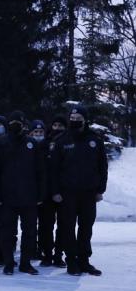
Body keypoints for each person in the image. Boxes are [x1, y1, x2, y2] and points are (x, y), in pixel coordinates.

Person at [50, 105, 108, 276]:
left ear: (85, 120)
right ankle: (71, 261)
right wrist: (55, 191)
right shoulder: (62, 140)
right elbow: (53, 169)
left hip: (89, 193)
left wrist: (100, 189)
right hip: (67, 193)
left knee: (86, 228)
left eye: (78, 119)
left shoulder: (94, 140)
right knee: (68, 227)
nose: (75, 121)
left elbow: (102, 166)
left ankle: (84, 261)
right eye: (72, 119)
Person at [0, 111, 45, 275]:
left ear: (24, 125)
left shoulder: (31, 144)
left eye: (19, 122)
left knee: (30, 232)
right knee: (7, 232)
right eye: (12, 122)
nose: (15, 125)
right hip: (6, 197)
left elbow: (40, 171)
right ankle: (8, 262)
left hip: (29, 196)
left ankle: (25, 263)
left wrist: (40, 194)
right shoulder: (0, 143)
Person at [38, 115, 68, 267]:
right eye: (55, 125)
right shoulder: (44, 144)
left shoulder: (68, 144)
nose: (57, 128)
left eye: (60, 126)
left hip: (64, 191)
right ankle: (47, 254)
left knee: (63, 225)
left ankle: (58, 255)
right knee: (46, 226)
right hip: (46, 191)